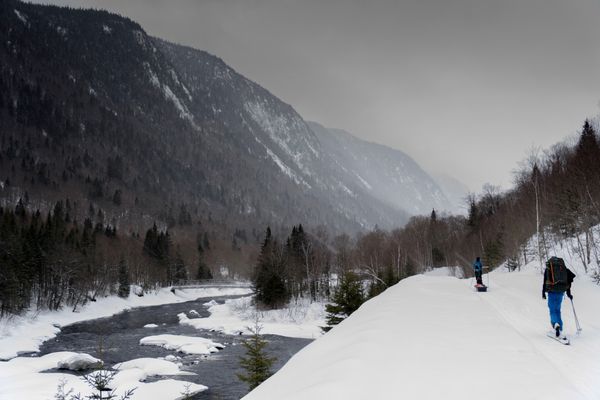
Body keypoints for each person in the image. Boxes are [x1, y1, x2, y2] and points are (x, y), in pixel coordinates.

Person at [542, 256, 575, 338]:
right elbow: (569, 280)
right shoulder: (563, 269)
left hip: (552, 292)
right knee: (558, 310)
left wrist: (543, 293)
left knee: (552, 310)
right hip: (561, 292)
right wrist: (569, 293)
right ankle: (560, 328)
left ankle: (555, 325)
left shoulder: (549, 269)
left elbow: (544, 281)